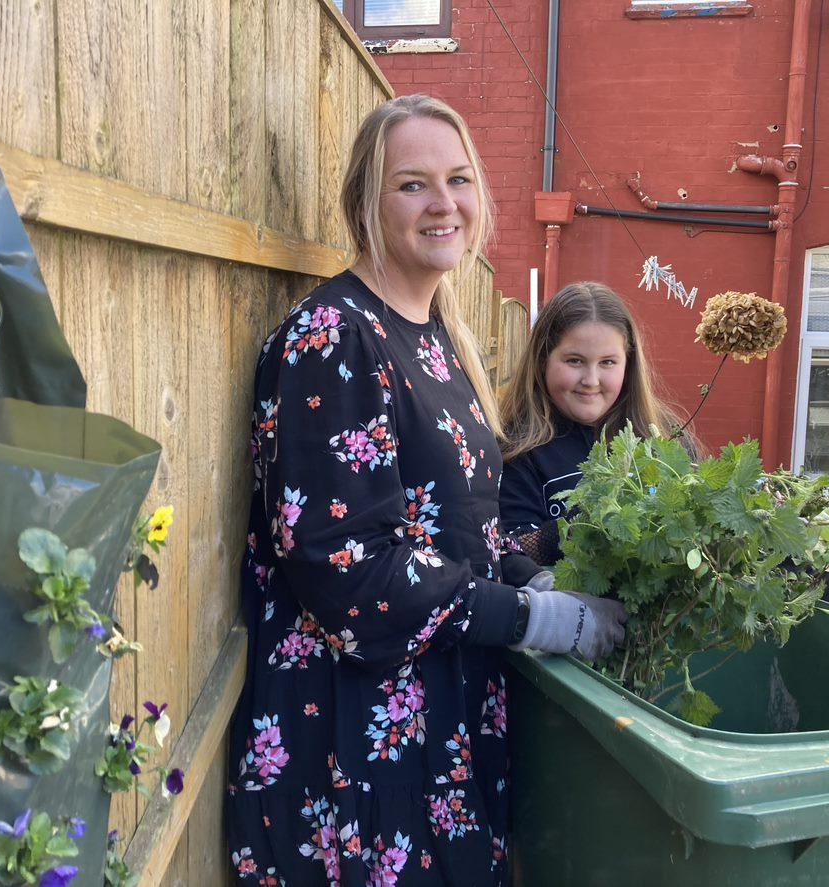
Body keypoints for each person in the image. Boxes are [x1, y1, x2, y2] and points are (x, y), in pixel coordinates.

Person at [225, 96, 626, 886]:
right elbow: (352, 572)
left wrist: (528, 575)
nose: (444, 203)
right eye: (412, 184)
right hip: (355, 756)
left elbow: (452, 528)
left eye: (459, 179)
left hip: (431, 736)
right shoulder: (333, 337)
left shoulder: (435, 335)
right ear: (365, 206)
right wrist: (535, 617)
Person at [498, 281, 693, 565]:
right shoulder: (516, 450)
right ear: (543, 359)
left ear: (628, 365)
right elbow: (512, 551)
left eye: (608, 362)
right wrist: (589, 524)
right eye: (575, 361)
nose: (591, 380)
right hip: (564, 604)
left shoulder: (662, 436)